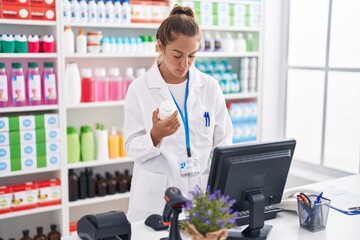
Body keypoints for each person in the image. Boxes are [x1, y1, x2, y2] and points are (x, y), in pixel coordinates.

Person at [123, 5, 233, 222]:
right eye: (177, 55)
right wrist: (155, 136)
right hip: (156, 198)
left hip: (199, 194)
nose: (185, 64)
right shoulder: (140, 88)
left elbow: (224, 145)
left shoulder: (210, 87)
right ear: (160, 46)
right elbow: (131, 148)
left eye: (192, 56)